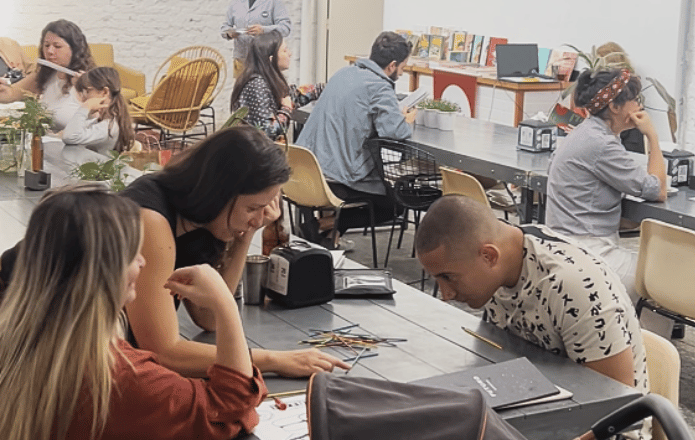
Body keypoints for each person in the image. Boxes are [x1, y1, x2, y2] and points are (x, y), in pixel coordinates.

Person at [0, 185, 267, 440]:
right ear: (104, 273)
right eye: (131, 254)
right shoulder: (120, 379)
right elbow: (230, 410)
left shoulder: (18, 340)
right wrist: (224, 304)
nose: (142, 261)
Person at [120, 126, 348, 378]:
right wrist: (274, 359)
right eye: (252, 209)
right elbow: (164, 352)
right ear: (217, 194)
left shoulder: (198, 220)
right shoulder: (150, 221)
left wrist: (246, 234)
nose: (259, 219)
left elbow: (210, 317)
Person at [415, 195, 648, 396]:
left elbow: (615, 401)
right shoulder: (502, 263)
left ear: (489, 256)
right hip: (533, 396)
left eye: (448, 277)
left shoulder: (575, 286)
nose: (445, 294)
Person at [545, 68, 667, 303]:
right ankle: (645, 328)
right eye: (635, 100)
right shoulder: (602, 144)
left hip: (562, 248)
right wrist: (652, 135)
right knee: (663, 279)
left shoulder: (583, 133)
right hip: (588, 252)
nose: (640, 106)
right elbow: (658, 190)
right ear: (614, 107)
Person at [296, 31, 417, 238]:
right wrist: (406, 120)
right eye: (403, 68)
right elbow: (394, 132)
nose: (402, 73)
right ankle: (322, 225)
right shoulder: (380, 86)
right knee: (396, 204)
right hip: (336, 180)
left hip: (306, 171)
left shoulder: (343, 73)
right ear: (392, 65)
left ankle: (330, 236)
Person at [0, 19, 95, 130]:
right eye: (46, 45)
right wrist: (3, 89)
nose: (50, 51)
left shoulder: (89, 81)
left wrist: (87, 91)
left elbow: (100, 124)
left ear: (74, 49)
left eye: (57, 46)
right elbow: (13, 93)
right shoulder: (44, 74)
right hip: (47, 137)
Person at [230, 30, 323, 142]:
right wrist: (286, 109)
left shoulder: (267, 81)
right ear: (271, 59)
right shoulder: (256, 85)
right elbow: (268, 133)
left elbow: (292, 97)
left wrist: (324, 88)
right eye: (285, 50)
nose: (289, 53)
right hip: (255, 152)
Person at [221, 0, 292, 78]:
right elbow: (224, 28)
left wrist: (263, 30)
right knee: (242, 90)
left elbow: (285, 28)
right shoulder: (236, 3)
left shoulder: (273, 1)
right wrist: (229, 33)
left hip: (266, 62)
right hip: (242, 60)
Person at [61, 66, 135, 154]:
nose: (84, 98)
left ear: (104, 92)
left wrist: (85, 108)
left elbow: (69, 137)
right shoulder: (101, 120)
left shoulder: (108, 127)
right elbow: (73, 130)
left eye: (88, 91)